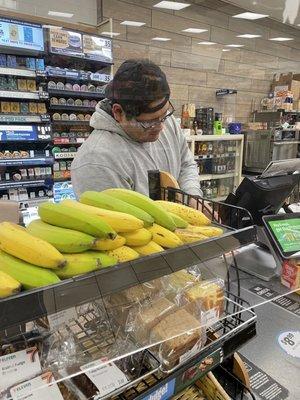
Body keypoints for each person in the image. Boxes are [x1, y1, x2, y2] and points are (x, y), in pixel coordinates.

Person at [71, 59, 202, 197]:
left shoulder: (167, 122)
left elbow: (186, 165)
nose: (161, 127)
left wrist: (192, 197)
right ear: (118, 112)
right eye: (149, 122)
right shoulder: (96, 163)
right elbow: (117, 218)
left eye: (165, 115)